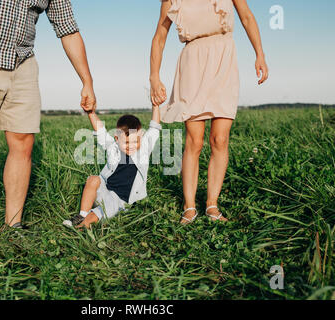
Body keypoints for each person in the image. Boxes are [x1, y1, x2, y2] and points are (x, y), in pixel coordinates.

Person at [0, 0, 96, 244]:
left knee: (23, 143)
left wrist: (87, 81)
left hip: (22, 61)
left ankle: (13, 224)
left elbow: (68, 29)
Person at [150, 0, 269, 224]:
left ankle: (212, 205)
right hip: (193, 62)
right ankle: (189, 206)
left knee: (220, 139)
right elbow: (159, 37)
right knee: (194, 141)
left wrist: (259, 54)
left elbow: (247, 17)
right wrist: (154, 77)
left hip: (224, 58)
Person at [63, 106, 161, 229]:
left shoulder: (143, 150)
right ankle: (82, 215)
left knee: (97, 213)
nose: (131, 146)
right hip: (104, 190)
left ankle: (83, 226)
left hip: (120, 200)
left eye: (135, 142)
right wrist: (91, 113)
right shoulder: (113, 148)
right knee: (93, 179)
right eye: (126, 142)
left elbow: (154, 128)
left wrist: (156, 106)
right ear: (116, 138)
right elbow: (101, 132)